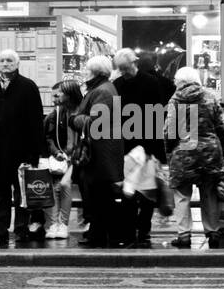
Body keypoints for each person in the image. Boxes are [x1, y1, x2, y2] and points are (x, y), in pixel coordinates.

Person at [0, 49, 45, 245]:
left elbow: (36, 121)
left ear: (17, 64)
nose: (5, 63)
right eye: (2, 60)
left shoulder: (27, 86)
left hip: (21, 150)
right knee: (1, 192)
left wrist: (34, 152)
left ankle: (21, 228)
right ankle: (0, 229)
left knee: (21, 192)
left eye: (9, 60)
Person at [164, 66, 224, 248]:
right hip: (209, 152)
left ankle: (184, 235)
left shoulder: (175, 100)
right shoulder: (209, 97)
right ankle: (213, 231)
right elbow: (220, 126)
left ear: (180, 81)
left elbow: (169, 131)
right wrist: (223, 147)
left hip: (183, 151)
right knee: (209, 193)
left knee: (182, 194)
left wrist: (169, 152)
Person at [113, 48, 169, 248]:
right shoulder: (117, 84)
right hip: (126, 146)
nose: (124, 73)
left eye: (126, 68)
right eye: (121, 69)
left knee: (146, 191)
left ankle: (143, 228)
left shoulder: (151, 83)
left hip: (147, 144)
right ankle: (129, 230)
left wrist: (150, 147)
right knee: (128, 191)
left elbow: (157, 115)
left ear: (134, 63)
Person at [71, 55, 126, 248]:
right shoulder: (103, 88)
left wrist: (76, 119)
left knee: (99, 195)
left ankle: (101, 235)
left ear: (96, 72)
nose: (84, 72)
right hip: (101, 151)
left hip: (100, 153)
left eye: (87, 70)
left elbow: (96, 123)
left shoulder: (103, 91)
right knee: (99, 195)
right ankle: (99, 233)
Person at [43, 78, 83, 240]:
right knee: (52, 185)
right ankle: (53, 224)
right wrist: (56, 152)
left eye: (58, 95)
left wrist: (74, 154)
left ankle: (63, 224)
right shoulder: (58, 113)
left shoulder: (80, 111)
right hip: (62, 158)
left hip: (77, 158)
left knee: (64, 184)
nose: (56, 99)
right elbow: (49, 137)